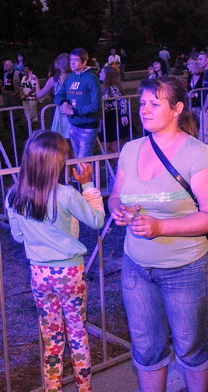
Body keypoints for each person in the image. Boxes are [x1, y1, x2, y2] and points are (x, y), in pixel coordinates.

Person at [108, 76, 208, 392]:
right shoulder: (131, 149)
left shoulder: (197, 153)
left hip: (186, 269)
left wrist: (161, 227)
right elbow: (116, 196)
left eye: (154, 103)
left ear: (177, 109)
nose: (145, 110)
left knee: (190, 346)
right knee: (146, 348)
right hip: (136, 267)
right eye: (142, 103)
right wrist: (118, 209)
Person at [5, 130, 105, 391]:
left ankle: (53, 388)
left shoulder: (13, 195)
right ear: (57, 162)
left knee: (51, 339)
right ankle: (84, 388)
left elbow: (18, 236)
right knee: (77, 334)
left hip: (39, 274)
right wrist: (87, 185)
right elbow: (97, 220)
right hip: (70, 272)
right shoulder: (66, 194)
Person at [54, 48, 102, 159]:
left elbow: (96, 105)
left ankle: (87, 171)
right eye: (71, 60)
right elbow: (58, 96)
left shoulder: (92, 79)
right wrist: (64, 103)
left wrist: (73, 111)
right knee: (78, 160)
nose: (72, 63)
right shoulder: (70, 78)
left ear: (84, 62)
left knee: (82, 161)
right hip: (73, 125)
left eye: (76, 60)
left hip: (88, 127)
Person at [36, 54, 72, 139]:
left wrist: (36, 82)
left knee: (60, 136)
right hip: (72, 108)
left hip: (60, 110)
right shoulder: (75, 77)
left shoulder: (53, 80)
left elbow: (39, 94)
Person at [101, 65, 129, 154]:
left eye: (102, 72)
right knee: (105, 147)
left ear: (107, 75)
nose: (100, 74)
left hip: (114, 117)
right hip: (108, 118)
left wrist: (123, 114)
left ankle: (119, 162)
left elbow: (122, 100)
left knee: (114, 147)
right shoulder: (105, 88)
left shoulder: (112, 87)